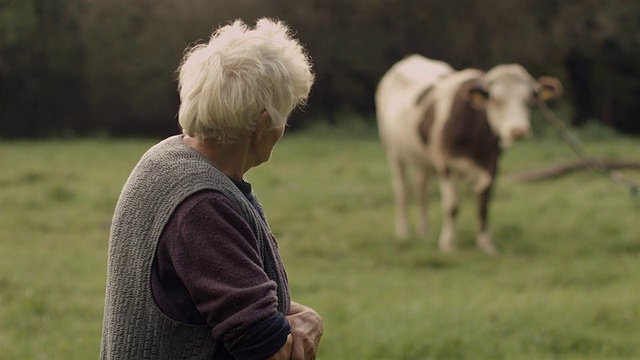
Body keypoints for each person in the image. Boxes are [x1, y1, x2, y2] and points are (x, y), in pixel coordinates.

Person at [100, 18, 323, 360]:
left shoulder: (167, 157)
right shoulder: (202, 204)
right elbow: (266, 347)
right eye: (285, 113)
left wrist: (281, 312)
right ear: (263, 125)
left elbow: (212, 294)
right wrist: (306, 325)